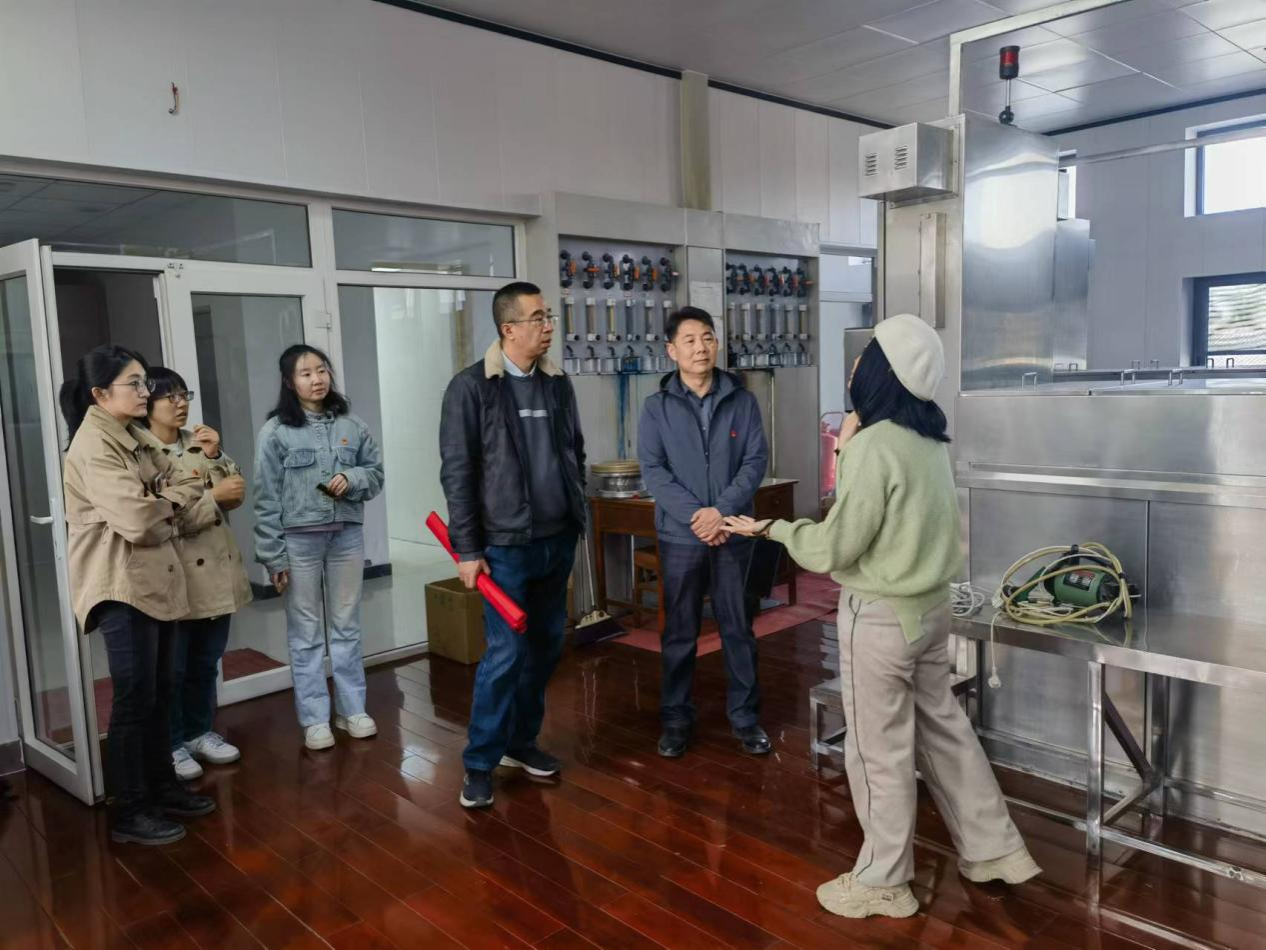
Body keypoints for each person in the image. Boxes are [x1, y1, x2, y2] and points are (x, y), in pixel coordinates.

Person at [725, 314, 1041, 919]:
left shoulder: (872, 445)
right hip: (931, 614)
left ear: (881, 371)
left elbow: (834, 547)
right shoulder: (929, 441)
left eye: (864, 355)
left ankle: (884, 881)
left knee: (878, 751)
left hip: (881, 620)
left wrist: (774, 527)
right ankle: (994, 851)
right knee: (946, 733)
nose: (854, 366)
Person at [60, 345, 217, 845]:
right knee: (134, 698)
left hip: (152, 579)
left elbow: (188, 480)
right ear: (100, 393)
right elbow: (137, 520)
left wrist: (162, 500)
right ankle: (131, 811)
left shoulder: (133, 434)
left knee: (161, 690)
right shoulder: (93, 444)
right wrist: (167, 502)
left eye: (145, 382)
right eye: (134, 383)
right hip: (120, 585)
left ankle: (162, 788)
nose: (145, 391)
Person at [439, 281, 587, 809]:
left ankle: (520, 743)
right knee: (505, 653)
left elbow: (574, 451)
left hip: (556, 539)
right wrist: (467, 549)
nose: (548, 326)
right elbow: (458, 472)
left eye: (548, 317)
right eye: (538, 317)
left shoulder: (557, 383)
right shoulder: (471, 387)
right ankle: (480, 762)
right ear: (509, 329)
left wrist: (575, 509)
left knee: (546, 647)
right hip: (504, 547)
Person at [636, 306, 771, 758]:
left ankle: (746, 719)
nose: (701, 348)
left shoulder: (742, 400)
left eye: (708, 338)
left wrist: (721, 513)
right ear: (672, 350)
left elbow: (755, 461)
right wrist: (698, 516)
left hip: (732, 531)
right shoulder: (656, 407)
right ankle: (676, 719)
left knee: (739, 628)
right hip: (681, 535)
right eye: (690, 340)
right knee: (679, 631)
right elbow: (654, 471)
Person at [253, 345, 384, 751]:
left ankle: (352, 710)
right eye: (306, 373)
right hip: (298, 541)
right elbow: (265, 498)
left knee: (347, 626)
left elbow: (376, 474)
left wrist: (354, 478)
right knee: (306, 632)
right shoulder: (276, 432)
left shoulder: (352, 425)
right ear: (289, 382)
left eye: (322, 370)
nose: (317, 379)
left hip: (346, 536)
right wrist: (273, 555)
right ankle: (314, 719)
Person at [136, 367, 251, 781]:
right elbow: (158, 519)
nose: (180, 404)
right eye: (170, 397)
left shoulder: (198, 443)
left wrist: (216, 456)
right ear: (147, 404)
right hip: (175, 575)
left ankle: (199, 731)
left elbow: (234, 496)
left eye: (184, 394)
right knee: (173, 669)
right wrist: (213, 498)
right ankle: (171, 743)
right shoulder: (141, 452)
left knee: (205, 663)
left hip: (216, 572)